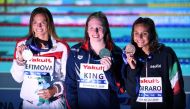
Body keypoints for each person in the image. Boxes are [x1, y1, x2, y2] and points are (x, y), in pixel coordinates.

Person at [10, 7, 69, 109]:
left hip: (54, 104)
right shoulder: (22, 45)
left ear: (49, 24)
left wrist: (54, 89)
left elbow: (68, 79)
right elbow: (17, 78)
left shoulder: (62, 47)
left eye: (43, 22)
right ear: (31, 25)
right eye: (35, 22)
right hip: (29, 104)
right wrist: (20, 61)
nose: (39, 26)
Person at [121, 17, 186, 109]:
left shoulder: (166, 54)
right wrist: (133, 69)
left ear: (152, 34)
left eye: (144, 33)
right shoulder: (128, 56)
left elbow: (177, 87)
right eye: (136, 33)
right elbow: (131, 92)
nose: (139, 37)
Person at [64, 11, 124, 109]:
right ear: (87, 30)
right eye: (91, 28)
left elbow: (120, 89)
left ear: (106, 30)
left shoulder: (116, 53)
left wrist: (109, 71)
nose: (95, 31)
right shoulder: (76, 52)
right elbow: (70, 86)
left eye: (99, 28)